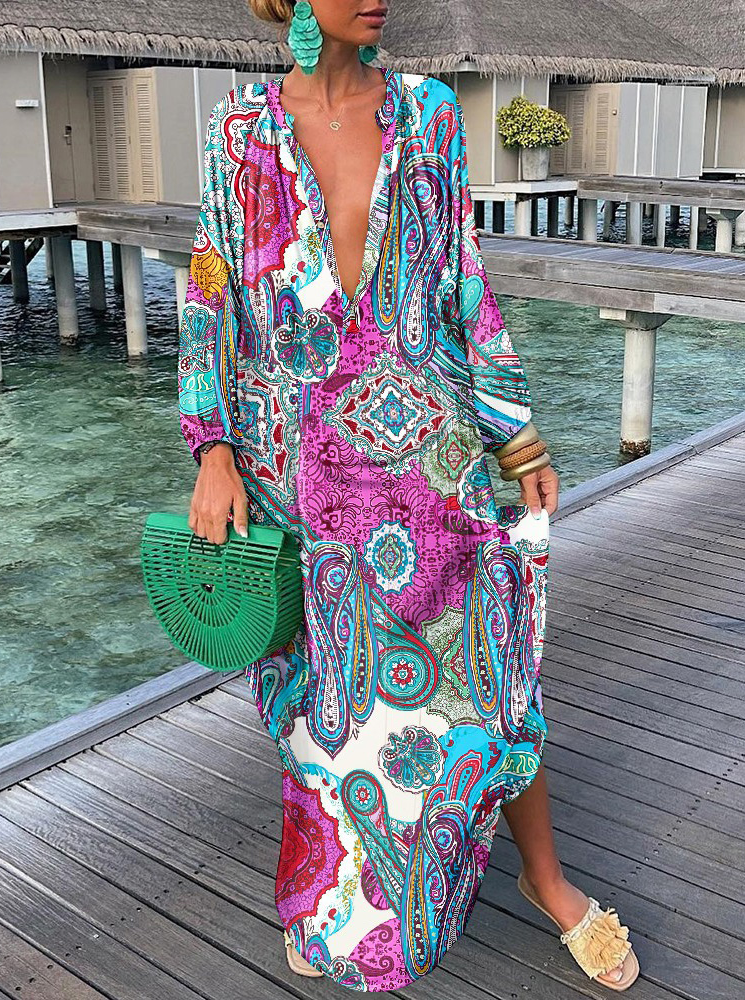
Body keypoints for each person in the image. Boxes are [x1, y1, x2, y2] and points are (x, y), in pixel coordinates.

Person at [177, 0, 639, 991]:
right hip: (300, 473)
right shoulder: (238, 129)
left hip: (435, 459)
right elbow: (209, 284)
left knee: (496, 674)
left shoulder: (429, 112)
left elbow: (462, 278)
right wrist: (210, 446)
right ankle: (330, 890)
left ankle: (546, 879)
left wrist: (514, 430)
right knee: (325, 704)